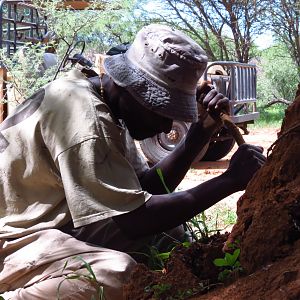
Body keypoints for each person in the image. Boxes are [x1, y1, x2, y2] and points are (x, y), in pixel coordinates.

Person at [0, 24, 266, 299]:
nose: (166, 128)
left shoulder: (103, 102)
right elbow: (135, 220)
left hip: (57, 224)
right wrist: (229, 180)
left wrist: (200, 134)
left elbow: (144, 191)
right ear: (129, 87)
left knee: (170, 233)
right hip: (15, 239)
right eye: (161, 110)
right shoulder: (86, 121)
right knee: (116, 276)